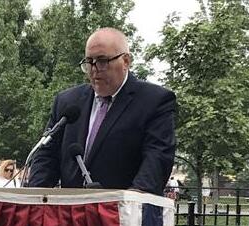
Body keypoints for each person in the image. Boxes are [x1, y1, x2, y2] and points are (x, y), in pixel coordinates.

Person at [26, 28, 176, 195]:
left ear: (126, 61)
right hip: (70, 208)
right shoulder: (67, 102)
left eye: (102, 61)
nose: (94, 69)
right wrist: (34, 198)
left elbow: (157, 160)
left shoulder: (154, 101)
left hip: (122, 208)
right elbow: (46, 155)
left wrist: (128, 203)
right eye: (89, 62)